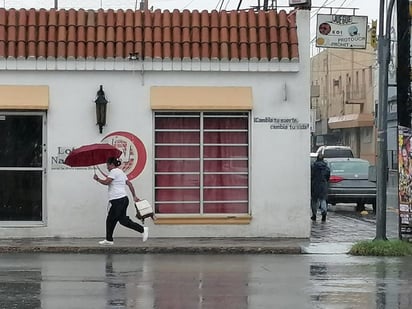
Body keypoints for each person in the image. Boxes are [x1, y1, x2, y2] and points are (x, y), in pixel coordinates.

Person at [93, 157, 148, 245]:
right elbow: (130, 184)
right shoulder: (121, 172)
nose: (107, 167)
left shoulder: (114, 172)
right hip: (122, 199)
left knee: (117, 220)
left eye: (107, 165)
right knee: (115, 220)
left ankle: (142, 229)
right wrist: (134, 196)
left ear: (111, 164)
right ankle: (109, 239)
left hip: (118, 200)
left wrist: (97, 179)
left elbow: (107, 182)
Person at [311, 153, 330, 222]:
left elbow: (311, 175)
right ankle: (324, 212)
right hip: (323, 184)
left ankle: (314, 214)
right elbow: (328, 176)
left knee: (314, 200)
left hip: (315, 184)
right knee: (323, 199)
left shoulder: (313, 166)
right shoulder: (326, 167)